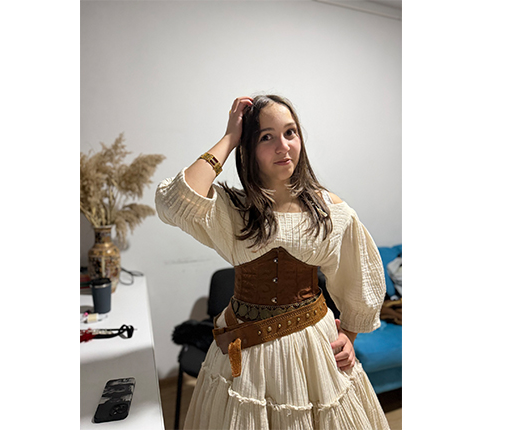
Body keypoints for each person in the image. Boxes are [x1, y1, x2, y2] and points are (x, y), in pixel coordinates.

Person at [155, 95, 391, 429]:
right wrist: (230, 137)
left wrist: (350, 336)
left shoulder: (329, 210)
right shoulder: (231, 210)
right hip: (245, 353)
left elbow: (358, 275)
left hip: (313, 349)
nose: (283, 146)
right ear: (249, 147)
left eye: (290, 133)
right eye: (267, 137)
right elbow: (173, 201)